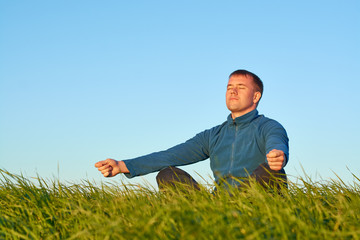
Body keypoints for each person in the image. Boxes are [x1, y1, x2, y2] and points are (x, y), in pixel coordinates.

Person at [95, 69, 289, 191]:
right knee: (167, 174)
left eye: (240, 87)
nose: (232, 91)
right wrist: (122, 165)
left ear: (256, 97)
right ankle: (199, 224)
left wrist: (278, 154)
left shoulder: (268, 126)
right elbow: (171, 155)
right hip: (219, 205)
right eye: (229, 87)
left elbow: (277, 141)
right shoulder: (213, 135)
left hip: (252, 200)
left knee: (271, 171)